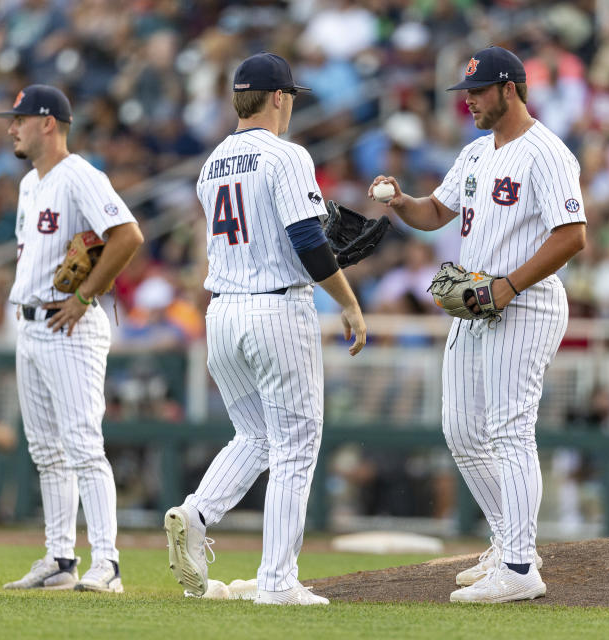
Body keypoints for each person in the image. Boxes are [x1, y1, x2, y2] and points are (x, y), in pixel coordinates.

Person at [370, 46, 587, 603]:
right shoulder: (473, 153)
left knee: (510, 430)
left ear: (510, 89)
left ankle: (518, 568)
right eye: (466, 92)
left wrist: (509, 285)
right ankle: (511, 543)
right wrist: (399, 201)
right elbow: (435, 212)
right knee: (462, 431)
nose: (468, 101)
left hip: (527, 300)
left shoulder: (547, 152)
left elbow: (572, 234)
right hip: (475, 298)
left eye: (478, 91)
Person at [163, 53, 367, 607]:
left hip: (223, 311)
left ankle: (197, 513)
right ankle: (278, 581)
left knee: (254, 436)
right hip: (275, 309)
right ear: (279, 97)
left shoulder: (212, 163)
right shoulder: (286, 155)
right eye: (292, 95)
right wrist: (348, 301)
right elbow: (305, 238)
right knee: (297, 446)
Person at [0, 85, 144, 592]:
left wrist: (85, 297)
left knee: (83, 444)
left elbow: (128, 234)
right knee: (45, 450)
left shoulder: (78, 174)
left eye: (20, 119)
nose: (12, 127)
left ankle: (109, 563)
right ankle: (61, 559)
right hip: (31, 323)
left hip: (70, 325)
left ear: (49, 123)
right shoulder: (28, 185)